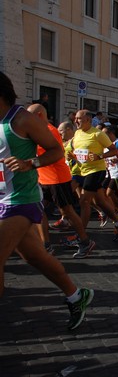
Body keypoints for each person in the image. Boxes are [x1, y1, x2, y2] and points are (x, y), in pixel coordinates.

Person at [0, 71, 93, 330]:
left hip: (21, 199)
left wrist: (31, 163)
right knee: (34, 256)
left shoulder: (21, 119)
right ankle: (77, 296)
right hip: (1, 197)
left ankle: (84, 240)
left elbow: (57, 150)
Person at [27, 104, 94, 257]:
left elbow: (53, 154)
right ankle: (46, 245)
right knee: (39, 210)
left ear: (38, 115)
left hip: (57, 179)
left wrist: (31, 162)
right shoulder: (37, 130)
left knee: (68, 212)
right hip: (44, 179)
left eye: (29, 115)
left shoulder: (49, 131)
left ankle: (85, 242)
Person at [69, 110, 118, 240]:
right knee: (99, 201)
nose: (75, 120)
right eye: (75, 118)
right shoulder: (77, 133)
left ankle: (81, 235)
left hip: (96, 171)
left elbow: (114, 150)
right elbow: (76, 151)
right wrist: (71, 155)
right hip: (81, 170)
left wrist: (99, 156)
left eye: (78, 118)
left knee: (84, 201)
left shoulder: (98, 134)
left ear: (88, 120)